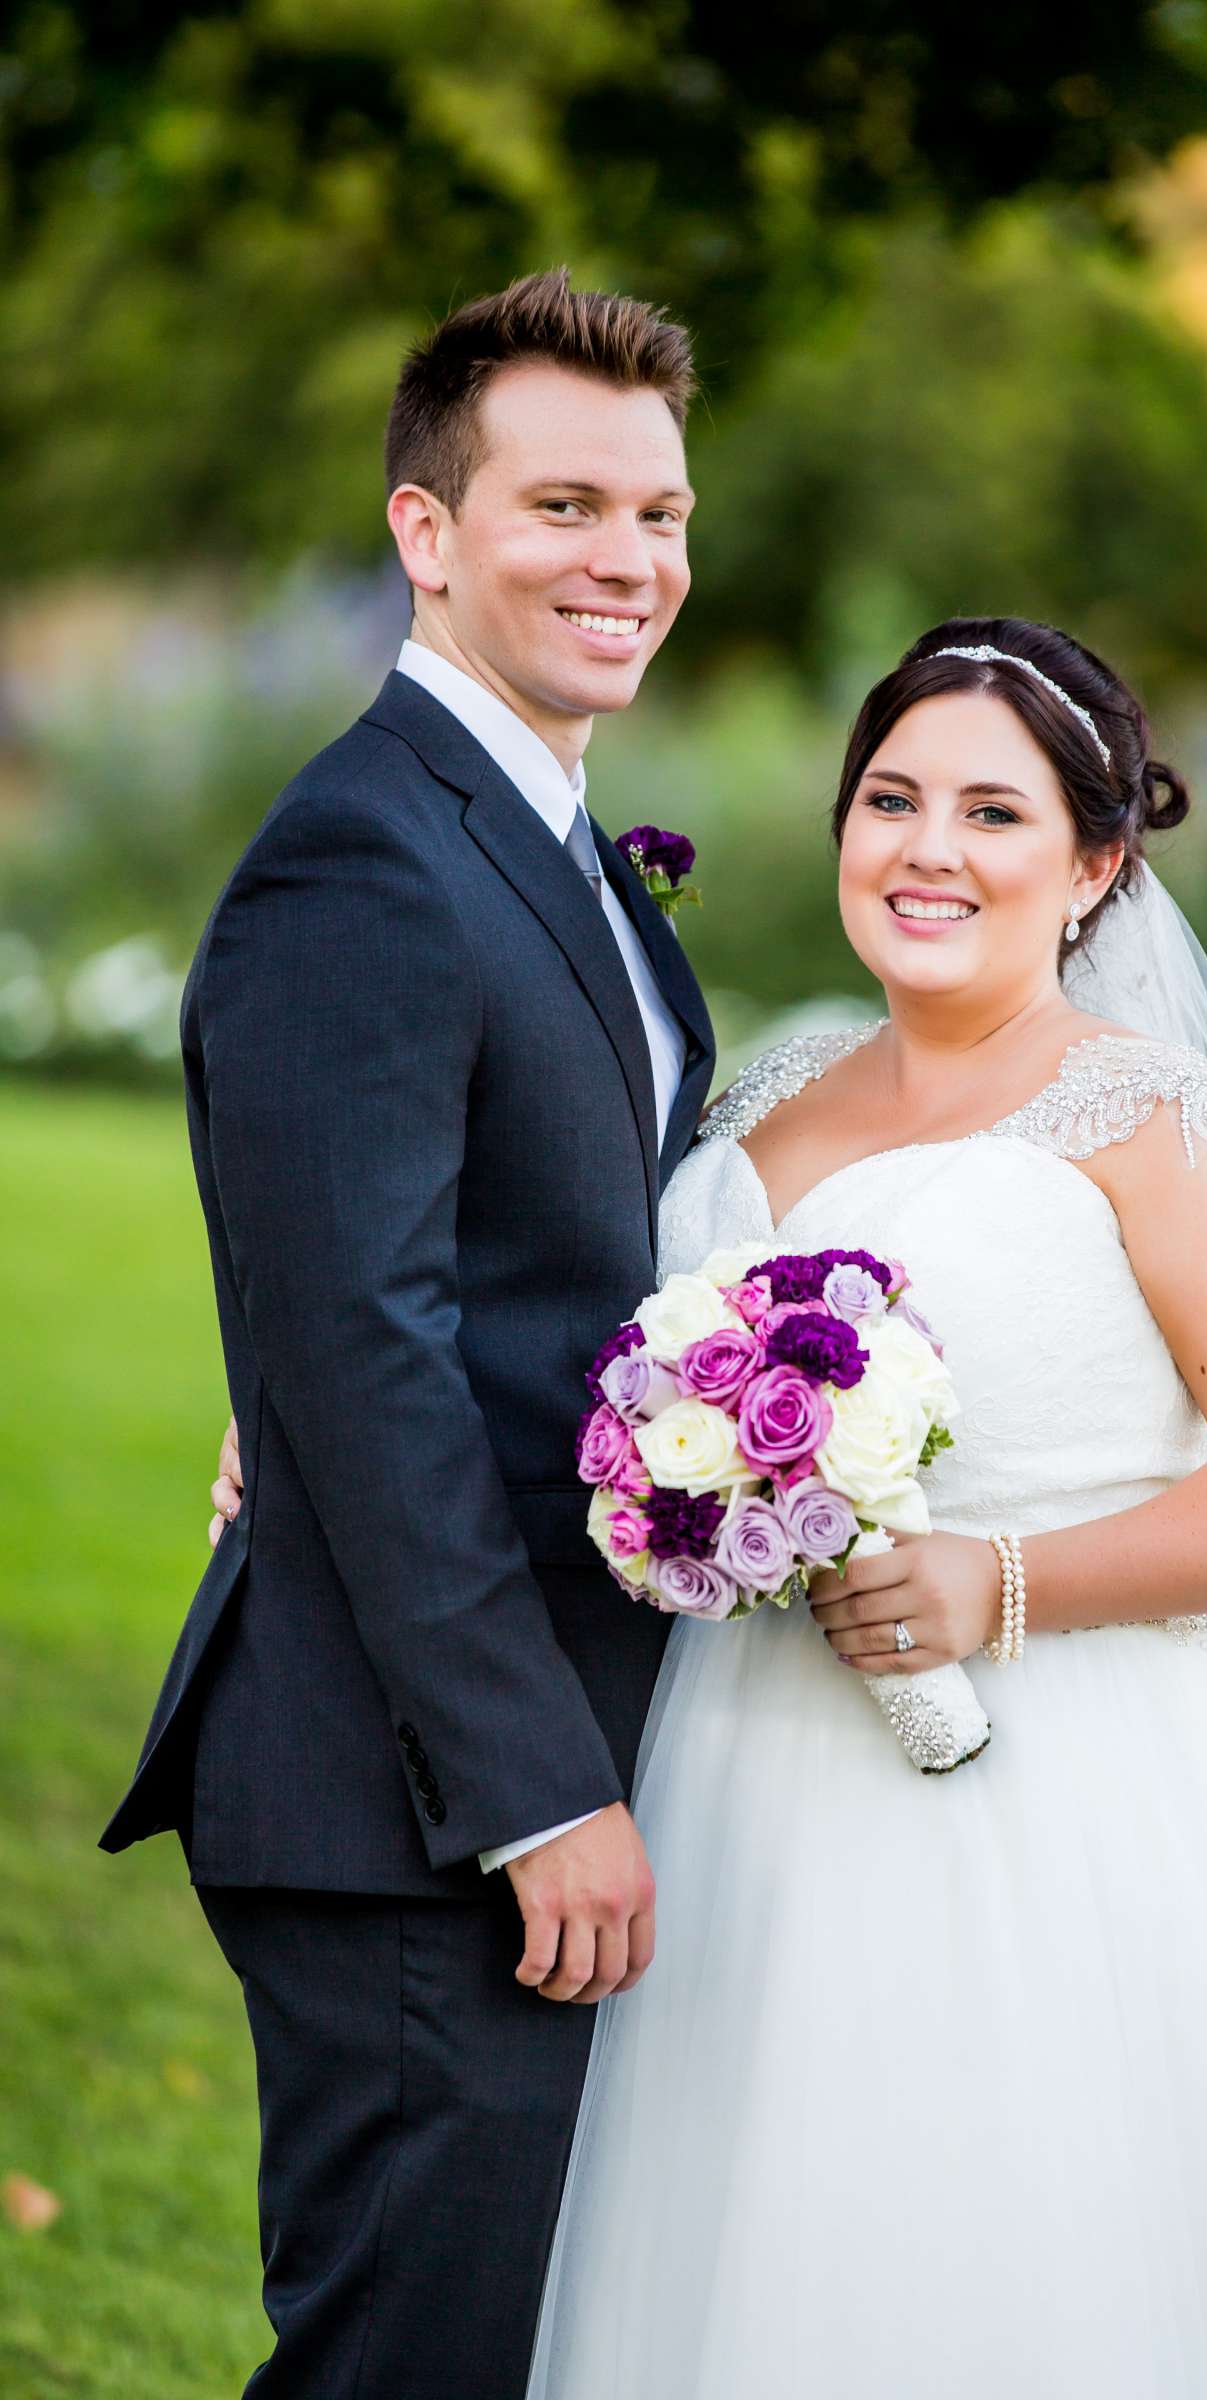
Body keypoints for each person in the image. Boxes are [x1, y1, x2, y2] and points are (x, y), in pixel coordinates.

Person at [515, 621, 1207, 2394]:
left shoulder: (1155, 1121)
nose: (928, 849)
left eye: (994, 814)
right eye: (891, 799)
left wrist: (996, 1583)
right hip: (744, 1793)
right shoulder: (763, 1094)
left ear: (1096, 863)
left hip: (1076, 1804)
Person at [100, 268, 716, 2398]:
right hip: (413, 1802)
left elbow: (520, 1284)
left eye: (657, 511)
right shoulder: (361, 861)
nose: (627, 560)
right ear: (424, 530)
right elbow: (366, 1348)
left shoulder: (550, 843)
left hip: (498, 1755)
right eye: (564, 503)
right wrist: (535, 1794)